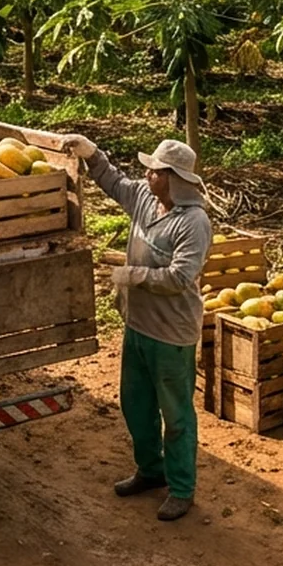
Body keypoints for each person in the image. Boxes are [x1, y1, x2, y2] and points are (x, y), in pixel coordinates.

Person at [62, 134, 210, 522]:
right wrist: (91, 153)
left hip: (172, 335)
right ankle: (150, 469)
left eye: (155, 171)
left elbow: (180, 277)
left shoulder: (193, 222)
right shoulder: (145, 198)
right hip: (138, 326)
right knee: (136, 404)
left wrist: (134, 275)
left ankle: (181, 487)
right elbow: (113, 181)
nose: (147, 175)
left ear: (174, 178)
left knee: (176, 416)